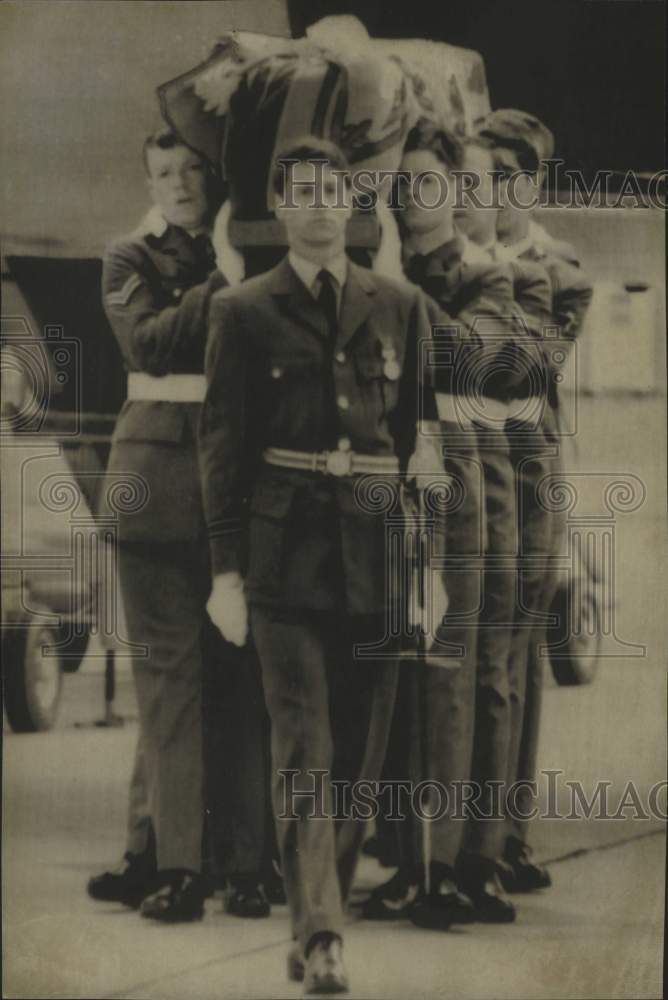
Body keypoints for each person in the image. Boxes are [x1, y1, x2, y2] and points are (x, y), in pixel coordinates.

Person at [200, 136, 442, 995]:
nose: (316, 205)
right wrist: (226, 570)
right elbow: (221, 451)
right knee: (304, 746)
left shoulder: (402, 306)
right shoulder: (242, 310)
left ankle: (315, 913)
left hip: (378, 562)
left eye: (331, 190)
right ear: (280, 205)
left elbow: (421, 446)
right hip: (283, 565)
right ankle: (326, 933)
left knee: (358, 763)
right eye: (299, 191)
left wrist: (430, 566)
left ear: (352, 202)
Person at [88, 127, 276, 922]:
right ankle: (177, 866)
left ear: (215, 177)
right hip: (159, 489)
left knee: (242, 684)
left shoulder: (249, 251)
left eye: (191, 169)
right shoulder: (129, 257)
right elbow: (152, 345)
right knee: (172, 688)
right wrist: (229, 282)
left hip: (236, 490)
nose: (177, 183)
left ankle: (246, 865)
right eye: (162, 171)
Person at [365, 119, 532, 928]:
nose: (413, 197)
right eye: (401, 183)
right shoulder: (373, 271)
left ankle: (474, 858)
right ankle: (411, 857)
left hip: (472, 490)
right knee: (406, 669)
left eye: (428, 182)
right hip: (397, 484)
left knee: (469, 677)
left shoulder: (488, 276)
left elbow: (467, 355)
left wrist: (395, 288)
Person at [473, 109, 593, 891]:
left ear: (531, 181)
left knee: (513, 653)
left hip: (523, 467)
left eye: (501, 176)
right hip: (459, 464)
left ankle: (504, 836)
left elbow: (522, 367)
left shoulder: (563, 269)